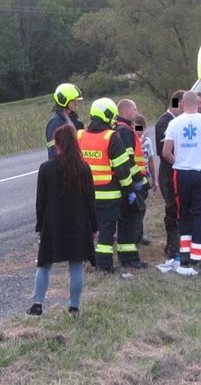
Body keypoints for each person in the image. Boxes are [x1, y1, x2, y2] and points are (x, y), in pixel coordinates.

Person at [31, 124, 98, 316]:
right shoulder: (83, 168)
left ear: (57, 144)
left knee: (44, 264)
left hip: (53, 223)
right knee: (76, 266)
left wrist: (40, 226)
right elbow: (90, 200)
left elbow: (40, 202)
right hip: (78, 223)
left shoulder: (46, 168)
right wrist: (94, 227)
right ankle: (74, 307)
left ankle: (37, 305)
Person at [160, 91, 201, 275]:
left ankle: (185, 252)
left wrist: (179, 162)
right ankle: (196, 255)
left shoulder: (174, 123)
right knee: (199, 213)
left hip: (181, 174)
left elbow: (165, 152)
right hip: (200, 173)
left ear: (182, 104)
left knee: (182, 213)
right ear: (198, 103)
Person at [76, 97, 136, 273]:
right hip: (108, 195)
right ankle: (104, 265)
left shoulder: (79, 135)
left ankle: (85, 261)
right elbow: (122, 169)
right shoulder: (111, 137)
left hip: (84, 195)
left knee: (87, 229)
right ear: (108, 115)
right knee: (106, 232)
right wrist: (130, 190)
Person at [112, 99, 147, 269]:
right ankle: (130, 259)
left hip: (126, 183)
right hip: (130, 183)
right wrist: (138, 181)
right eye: (134, 109)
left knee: (126, 222)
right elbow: (128, 160)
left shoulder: (121, 128)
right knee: (129, 222)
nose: (137, 112)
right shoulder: (124, 130)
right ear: (125, 111)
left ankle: (127, 257)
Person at [154, 90, 185, 264]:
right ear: (178, 104)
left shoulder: (177, 121)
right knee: (172, 209)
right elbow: (165, 152)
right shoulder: (164, 123)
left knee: (178, 209)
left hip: (176, 172)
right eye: (183, 106)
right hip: (168, 174)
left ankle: (176, 244)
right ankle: (172, 246)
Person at [45, 83, 83, 159]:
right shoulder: (54, 123)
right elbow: (53, 151)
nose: (76, 103)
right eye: (73, 101)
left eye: (77, 100)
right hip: (64, 164)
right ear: (63, 100)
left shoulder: (76, 122)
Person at [135, 114, 155, 245]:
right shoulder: (129, 140)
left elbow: (151, 160)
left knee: (141, 207)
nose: (139, 131)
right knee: (135, 208)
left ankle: (140, 233)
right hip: (133, 179)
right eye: (136, 128)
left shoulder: (147, 142)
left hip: (144, 178)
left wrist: (154, 178)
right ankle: (134, 234)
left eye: (141, 128)